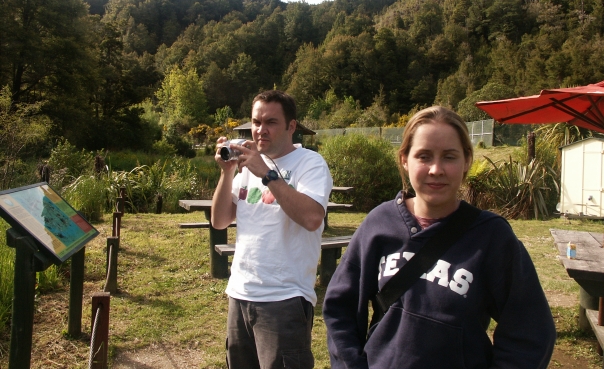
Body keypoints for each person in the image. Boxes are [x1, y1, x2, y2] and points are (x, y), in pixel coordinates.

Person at [322, 106, 556, 369]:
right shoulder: (379, 224)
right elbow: (340, 309)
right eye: (424, 156)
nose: (436, 169)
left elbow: (531, 332)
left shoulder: (491, 236)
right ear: (405, 160)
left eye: (449, 157)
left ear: (466, 160)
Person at [212, 90, 333, 369]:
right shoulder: (246, 166)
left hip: (285, 298)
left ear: (291, 126)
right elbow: (219, 221)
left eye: (271, 122)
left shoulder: (310, 163)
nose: (260, 130)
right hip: (240, 293)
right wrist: (227, 172)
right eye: (256, 122)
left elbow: (312, 218)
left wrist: (266, 174)